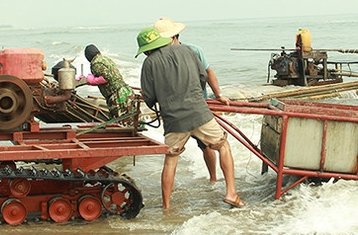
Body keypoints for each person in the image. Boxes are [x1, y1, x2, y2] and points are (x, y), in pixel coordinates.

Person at [136, 26, 245, 209]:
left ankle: (166, 207)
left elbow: (149, 96)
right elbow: (202, 76)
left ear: (147, 48)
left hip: (174, 120)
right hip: (199, 113)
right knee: (223, 146)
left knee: (171, 159)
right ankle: (231, 193)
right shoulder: (188, 50)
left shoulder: (149, 63)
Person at [153, 17, 230, 182]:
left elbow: (207, 73)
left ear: (173, 37)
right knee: (176, 155)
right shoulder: (160, 56)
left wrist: (218, 95)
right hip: (184, 110)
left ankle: (213, 178)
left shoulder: (192, 50)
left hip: (194, 108)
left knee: (205, 146)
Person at [82, 44, 135, 120]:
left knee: (121, 122)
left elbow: (107, 77)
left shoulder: (96, 63)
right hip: (126, 91)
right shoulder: (105, 59)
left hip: (118, 96)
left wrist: (93, 81)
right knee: (132, 119)